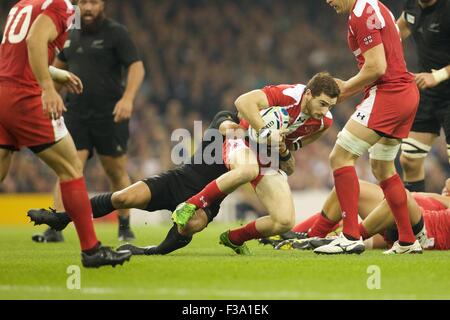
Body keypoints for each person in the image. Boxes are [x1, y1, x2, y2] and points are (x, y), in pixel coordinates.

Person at [0, 0, 131, 267]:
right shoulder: (59, 5)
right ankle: (92, 251)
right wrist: (47, 88)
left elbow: (16, 57)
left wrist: (56, 73)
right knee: (72, 168)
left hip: (2, 91)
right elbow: (35, 42)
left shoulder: (22, 5)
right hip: (23, 97)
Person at [28, 110, 242, 255]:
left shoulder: (255, 149)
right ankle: (62, 218)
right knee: (123, 197)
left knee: (190, 225)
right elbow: (226, 129)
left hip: (208, 200)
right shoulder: (226, 117)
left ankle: (151, 251)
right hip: (177, 181)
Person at [171, 73, 340, 255]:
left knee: (284, 221)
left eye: (330, 106)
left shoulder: (324, 122)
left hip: (268, 156)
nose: (325, 111)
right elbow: (242, 102)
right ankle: (190, 205)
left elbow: (296, 147)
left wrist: (284, 149)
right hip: (243, 139)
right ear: (308, 94)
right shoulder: (289, 95)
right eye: (322, 104)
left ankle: (234, 238)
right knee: (248, 170)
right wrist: (266, 131)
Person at [32, 0, 145, 243]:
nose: (88, 8)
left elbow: (136, 67)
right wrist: (50, 96)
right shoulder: (68, 35)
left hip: (110, 115)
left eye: (93, 2)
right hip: (76, 115)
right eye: (82, 2)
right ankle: (55, 226)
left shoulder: (117, 33)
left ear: (103, 4)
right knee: (68, 168)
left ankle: (124, 226)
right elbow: (57, 70)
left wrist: (128, 98)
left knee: (115, 172)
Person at [316, 0, 421, 255]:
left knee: (340, 156)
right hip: (405, 94)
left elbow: (377, 67)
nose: (328, 1)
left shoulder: (362, 14)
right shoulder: (376, 6)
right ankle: (407, 240)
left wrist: (344, 89)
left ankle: (350, 236)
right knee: (383, 168)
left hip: (389, 93)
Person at [273, 179, 450, 252]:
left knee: (400, 196)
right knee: (348, 185)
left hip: (424, 234)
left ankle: (348, 240)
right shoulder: (438, 197)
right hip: (399, 222)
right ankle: (308, 236)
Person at [397, 0, 450, 193]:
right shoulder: (412, 6)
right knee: (409, 159)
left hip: (444, 87)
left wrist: (437, 75)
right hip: (427, 93)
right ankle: (414, 218)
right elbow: (397, 31)